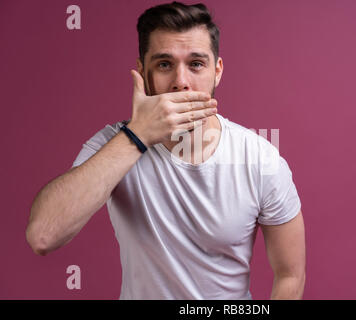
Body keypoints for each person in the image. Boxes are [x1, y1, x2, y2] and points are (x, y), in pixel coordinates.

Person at [26, 1, 306, 300]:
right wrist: (138, 134)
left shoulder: (260, 158)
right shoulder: (113, 143)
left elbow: (290, 275)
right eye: (164, 65)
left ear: (217, 71)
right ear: (142, 72)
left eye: (196, 64)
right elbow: (44, 235)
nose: (180, 82)